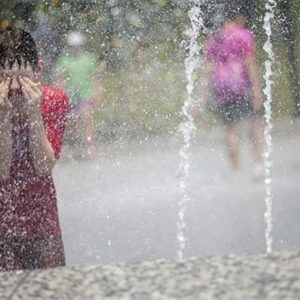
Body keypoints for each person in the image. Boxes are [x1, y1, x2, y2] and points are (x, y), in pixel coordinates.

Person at [0, 27, 68, 271]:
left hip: (43, 224)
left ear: (39, 69)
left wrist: (33, 114)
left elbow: (44, 165)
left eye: (22, 78)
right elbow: (2, 172)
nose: (15, 87)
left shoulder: (53, 100)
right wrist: (4, 118)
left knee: (51, 291)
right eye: (6, 78)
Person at [204, 11, 264, 175]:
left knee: (230, 129)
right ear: (238, 17)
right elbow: (250, 63)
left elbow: (208, 69)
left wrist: (199, 97)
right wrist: (257, 90)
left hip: (222, 87)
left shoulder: (214, 39)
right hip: (242, 85)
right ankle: (258, 164)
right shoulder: (243, 35)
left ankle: (236, 169)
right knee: (255, 124)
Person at [54, 32, 102, 160]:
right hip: (71, 96)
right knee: (72, 121)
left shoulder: (88, 59)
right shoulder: (64, 59)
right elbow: (60, 79)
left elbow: (95, 78)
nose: (76, 48)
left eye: (78, 46)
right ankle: (76, 147)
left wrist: (97, 93)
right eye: (73, 46)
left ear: (82, 45)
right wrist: (59, 96)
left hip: (86, 93)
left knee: (87, 119)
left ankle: (91, 147)